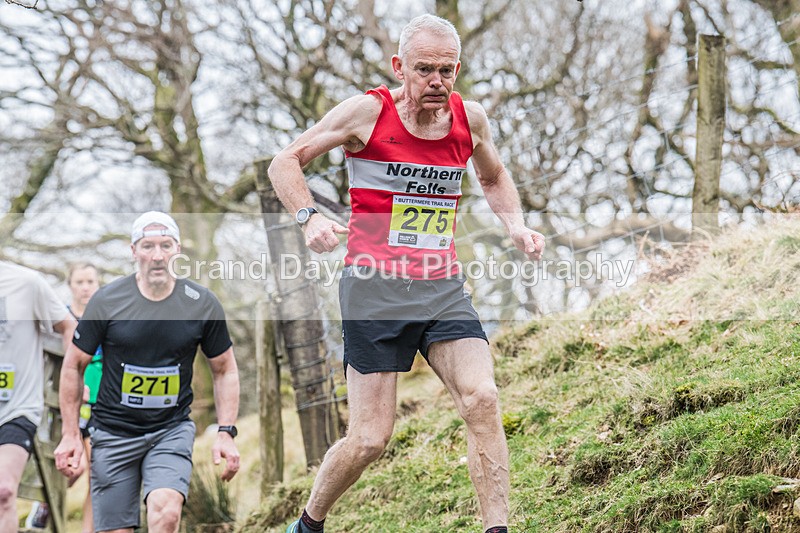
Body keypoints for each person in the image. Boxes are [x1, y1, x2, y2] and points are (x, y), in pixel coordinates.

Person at [268, 13, 545, 533]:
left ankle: (497, 529)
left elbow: (495, 174)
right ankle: (308, 523)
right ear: (400, 67)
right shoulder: (366, 114)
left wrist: (516, 226)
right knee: (370, 437)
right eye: (424, 70)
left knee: (482, 398)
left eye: (446, 70)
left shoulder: (471, 120)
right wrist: (308, 218)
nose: (436, 81)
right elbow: (284, 162)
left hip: (441, 287)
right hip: (373, 292)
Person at [54, 211, 241, 533]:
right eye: (148, 246)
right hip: (113, 432)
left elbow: (224, 369)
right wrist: (71, 433)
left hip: (170, 429)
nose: (157, 256)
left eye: (165, 246)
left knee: (166, 512)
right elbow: (74, 365)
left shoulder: (201, 304)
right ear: (133, 251)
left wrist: (226, 431)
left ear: (178, 250)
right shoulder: (107, 301)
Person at [0, 261, 77, 533]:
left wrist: (72, 377)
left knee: (5, 491)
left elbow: (69, 326)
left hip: (16, 406)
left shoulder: (27, 283)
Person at [66, 262, 102, 533]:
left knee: (96, 472)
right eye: (79, 282)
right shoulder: (61, 318)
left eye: (90, 281)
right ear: (70, 286)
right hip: (68, 405)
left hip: (100, 404)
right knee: (69, 468)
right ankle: (44, 508)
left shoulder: (106, 318)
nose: (85, 287)